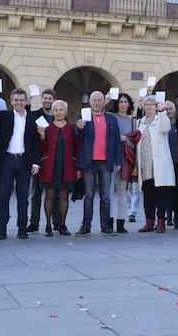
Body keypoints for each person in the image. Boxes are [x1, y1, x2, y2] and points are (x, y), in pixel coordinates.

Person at [0, 88, 40, 239]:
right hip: (6, 161)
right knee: (3, 196)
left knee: (23, 198)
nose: (18, 103)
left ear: (26, 101)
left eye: (21, 100)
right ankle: (1, 229)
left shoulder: (32, 119)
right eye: (16, 100)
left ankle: (22, 229)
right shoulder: (5, 116)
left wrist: (36, 163)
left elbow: (35, 143)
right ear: (11, 101)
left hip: (24, 161)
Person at [76, 91, 122, 236]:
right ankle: (86, 226)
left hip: (106, 161)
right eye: (94, 100)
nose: (97, 102)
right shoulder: (84, 115)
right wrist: (79, 128)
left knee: (105, 196)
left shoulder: (111, 118)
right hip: (88, 162)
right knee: (89, 196)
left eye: (99, 100)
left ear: (104, 102)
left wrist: (118, 160)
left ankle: (106, 226)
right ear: (90, 102)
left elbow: (116, 140)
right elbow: (77, 135)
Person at [36, 100, 81, 237]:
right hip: (50, 167)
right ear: (52, 112)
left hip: (67, 167)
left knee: (63, 195)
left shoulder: (72, 127)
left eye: (61, 109)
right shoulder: (47, 127)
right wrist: (42, 136)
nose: (58, 112)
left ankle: (62, 225)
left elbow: (77, 148)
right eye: (56, 110)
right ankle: (48, 225)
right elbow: (42, 149)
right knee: (49, 195)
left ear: (66, 112)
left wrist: (78, 168)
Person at [135, 95, 178, 233]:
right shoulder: (140, 122)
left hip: (159, 163)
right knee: (148, 193)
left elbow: (165, 129)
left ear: (156, 106)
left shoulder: (161, 119)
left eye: (152, 104)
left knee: (161, 193)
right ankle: (149, 221)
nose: (149, 106)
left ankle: (160, 221)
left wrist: (162, 112)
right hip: (145, 163)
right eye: (146, 104)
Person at [26, 89, 58, 232]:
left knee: (54, 192)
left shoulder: (58, 116)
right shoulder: (34, 115)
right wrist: (28, 103)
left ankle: (56, 222)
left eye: (50, 98)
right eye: (45, 98)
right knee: (36, 192)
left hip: (54, 159)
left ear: (54, 100)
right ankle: (34, 223)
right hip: (38, 158)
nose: (47, 101)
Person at [109, 93, 139, 230]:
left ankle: (121, 222)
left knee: (123, 191)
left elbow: (135, 141)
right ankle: (109, 221)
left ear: (129, 104)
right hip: (111, 156)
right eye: (120, 101)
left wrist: (125, 139)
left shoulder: (133, 121)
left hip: (126, 158)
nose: (122, 104)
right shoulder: (111, 118)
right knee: (109, 190)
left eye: (125, 101)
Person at [162, 100, 178, 229]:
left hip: (177, 162)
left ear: (175, 110)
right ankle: (162, 219)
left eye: (170, 108)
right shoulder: (160, 123)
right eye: (166, 109)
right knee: (163, 192)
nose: (168, 111)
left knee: (177, 192)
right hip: (163, 163)